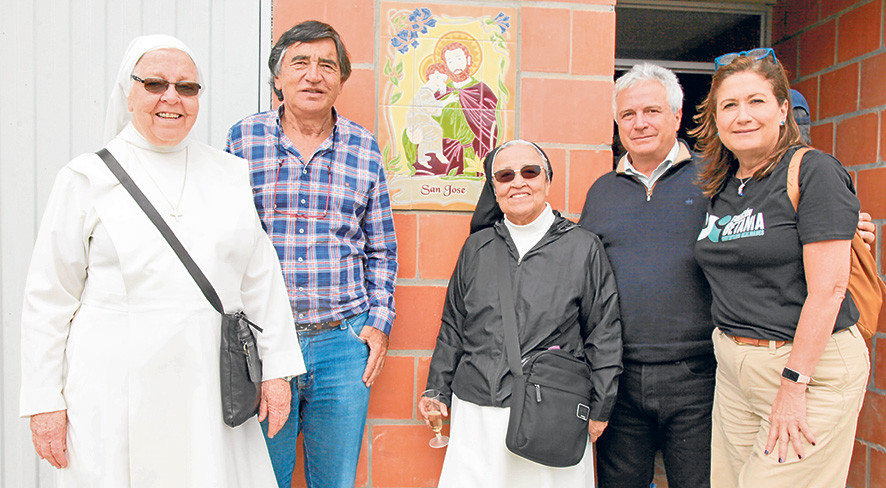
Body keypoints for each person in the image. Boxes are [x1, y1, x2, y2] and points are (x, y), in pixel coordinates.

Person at [20, 35, 305, 487]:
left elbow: (260, 280)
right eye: (155, 84)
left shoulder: (228, 174)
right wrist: (44, 402)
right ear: (128, 92)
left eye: (186, 87)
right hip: (113, 390)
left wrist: (277, 373)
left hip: (207, 386)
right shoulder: (86, 178)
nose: (171, 97)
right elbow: (49, 298)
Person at [225, 20, 398, 488]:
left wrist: (378, 324)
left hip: (342, 343)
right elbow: (223, 242)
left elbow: (382, 248)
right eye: (299, 62)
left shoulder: (364, 148)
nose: (313, 75)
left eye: (327, 65)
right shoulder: (242, 141)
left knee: (335, 481)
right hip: (263, 344)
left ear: (341, 79)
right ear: (277, 77)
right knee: (263, 478)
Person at [692, 48, 869, 487]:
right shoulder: (723, 185)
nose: (742, 115)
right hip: (735, 369)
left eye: (756, 101)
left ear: (783, 109)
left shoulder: (813, 171)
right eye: (729, 105)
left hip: (806, 368)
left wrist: (793, 384)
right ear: (716, 119)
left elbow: (829, 290)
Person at [422, 139, 623, 487]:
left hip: (551, 412)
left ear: (547, 180)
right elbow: (454, 326)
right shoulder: (477, 248)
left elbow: (603, 332)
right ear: (494, 188)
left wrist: (600, 406)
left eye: (530, 172)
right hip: (478, 412)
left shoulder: (583, 247)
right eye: (505, 175)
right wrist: (437, 389)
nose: (518, 182)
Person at [577, 63, 716, 488]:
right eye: (628, 114)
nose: (639, 123)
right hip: (620, 380)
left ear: (676, 115)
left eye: (652, 111)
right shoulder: (602, 191)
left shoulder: (715, 180)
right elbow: (584, 278)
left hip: (699, 377)